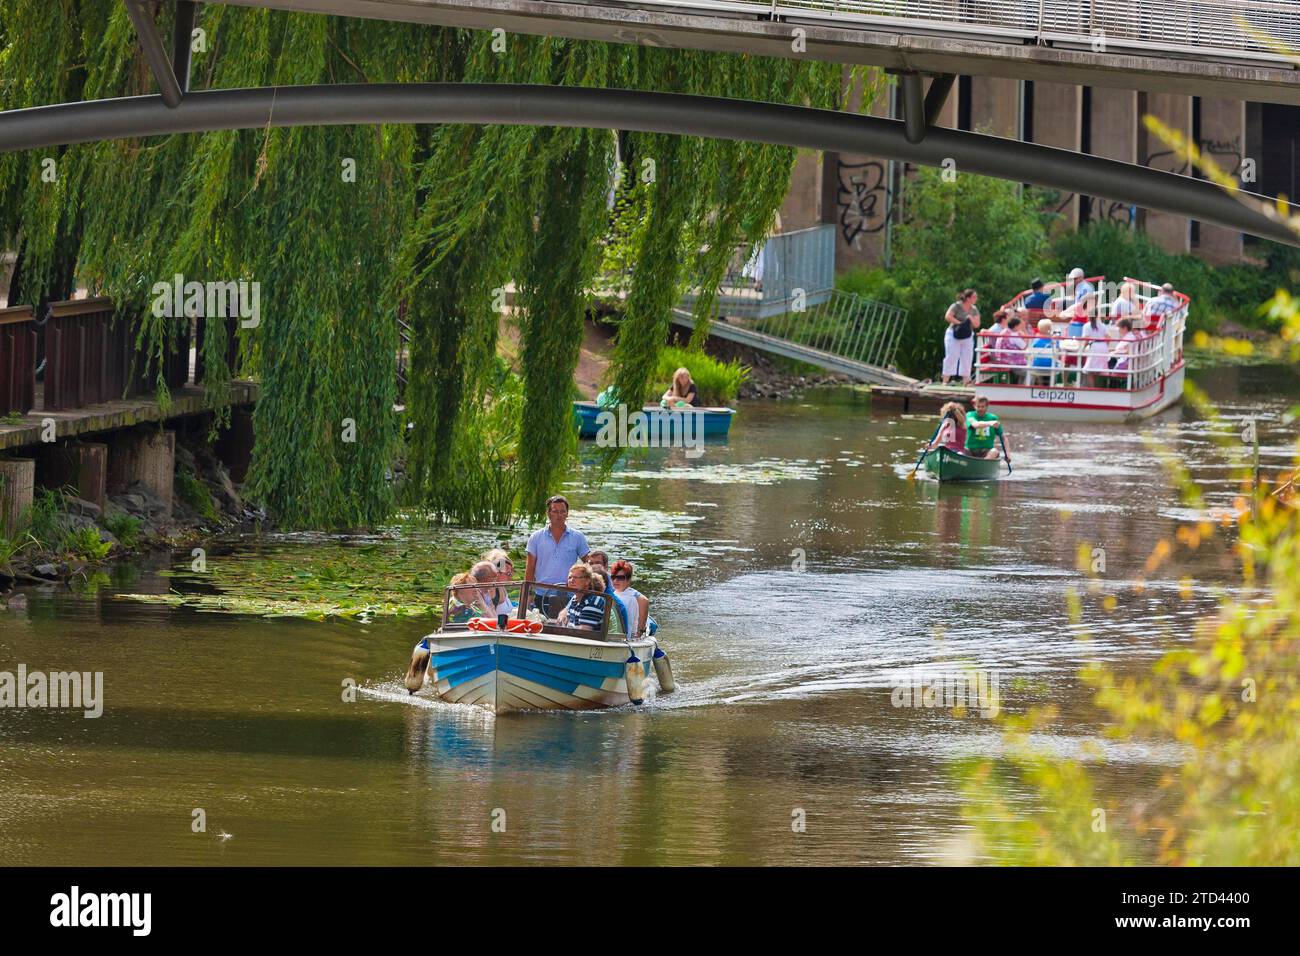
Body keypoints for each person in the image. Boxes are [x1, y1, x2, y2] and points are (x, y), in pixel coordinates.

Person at [526, 495, 590, 617]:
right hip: (542, 594)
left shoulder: (578, 537)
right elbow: (530, 569)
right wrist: (528, 596)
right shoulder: (536, 537)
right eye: (555, 511)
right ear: (548, 513)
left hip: (570, 594)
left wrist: (585, 587)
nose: (559, 515)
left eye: (562, 511)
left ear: (567, 514)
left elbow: (589, 565)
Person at [942, 288, 980, 384]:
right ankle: (946, 380)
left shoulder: (974, 309)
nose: (976, 298)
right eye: (974, 297)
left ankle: (966, 380)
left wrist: (970, 318)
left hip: (967, 335)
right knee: (951, 355)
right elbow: (948, 316)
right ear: (968, 298)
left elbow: (977, 324)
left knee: (967, 357)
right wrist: (959, 323)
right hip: (954, 333)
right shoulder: (956, 306)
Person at [557, 562, 605, 631]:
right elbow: (565, 611)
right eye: (570, 577)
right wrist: (564, 613)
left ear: (587, 581)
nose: (571, 580)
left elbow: (583, 632)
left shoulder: (592, 602)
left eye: (576, 577)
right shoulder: (575, 598)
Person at [610, 560, 650, 639]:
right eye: (613, 577)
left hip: (629, 636)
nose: (615, 581)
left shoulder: (634, 598)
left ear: (628, 580)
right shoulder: (612, 594)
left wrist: (639, 633)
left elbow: (635, 627)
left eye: (620, 578)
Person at [964, 395, 1006, 462]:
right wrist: (990, 423)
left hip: (987, 451)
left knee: (994, 451)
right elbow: (975, 424)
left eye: (983, 407)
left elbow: (1003, 438)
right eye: (978, 407)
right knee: (960, 451)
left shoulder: (993, 418)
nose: (980, 409)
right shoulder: (970, 415)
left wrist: (1008, 455)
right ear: (975, 406)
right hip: (970, 450)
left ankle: (982, 464)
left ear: (986, 407)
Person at [1079, 308, 1110, 387]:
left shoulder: (1086, 326)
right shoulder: (1103, 325)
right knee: (1099, 369)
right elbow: (1108, 338)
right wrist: (1106, 346)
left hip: (1094, 347)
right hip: (1103, 346)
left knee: (1090, 371)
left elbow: (1086, 340)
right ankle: (1099, 387)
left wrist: (1082, 349)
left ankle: (1092, 388)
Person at [1000, 315, 1029, 382]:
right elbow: (1024, 347)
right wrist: (1025, 336)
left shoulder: (1004, 331)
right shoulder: (1013, 335)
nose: (1021, 327)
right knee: (1030, 371)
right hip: (1011, 362)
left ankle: (1019, 385)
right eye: (1020, 325)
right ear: (1016, 326)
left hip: (1002, 359)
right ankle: (1023, 388)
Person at [1028, 318, 1056, 385]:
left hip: (1036, 366)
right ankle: (1052, 384)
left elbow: (1030, 352)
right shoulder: (1053, 341)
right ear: (1049, 329)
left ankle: (1038, 383)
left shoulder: (1035, 340)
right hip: (1050, 366)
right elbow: (1057, 353)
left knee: (1037, 361)